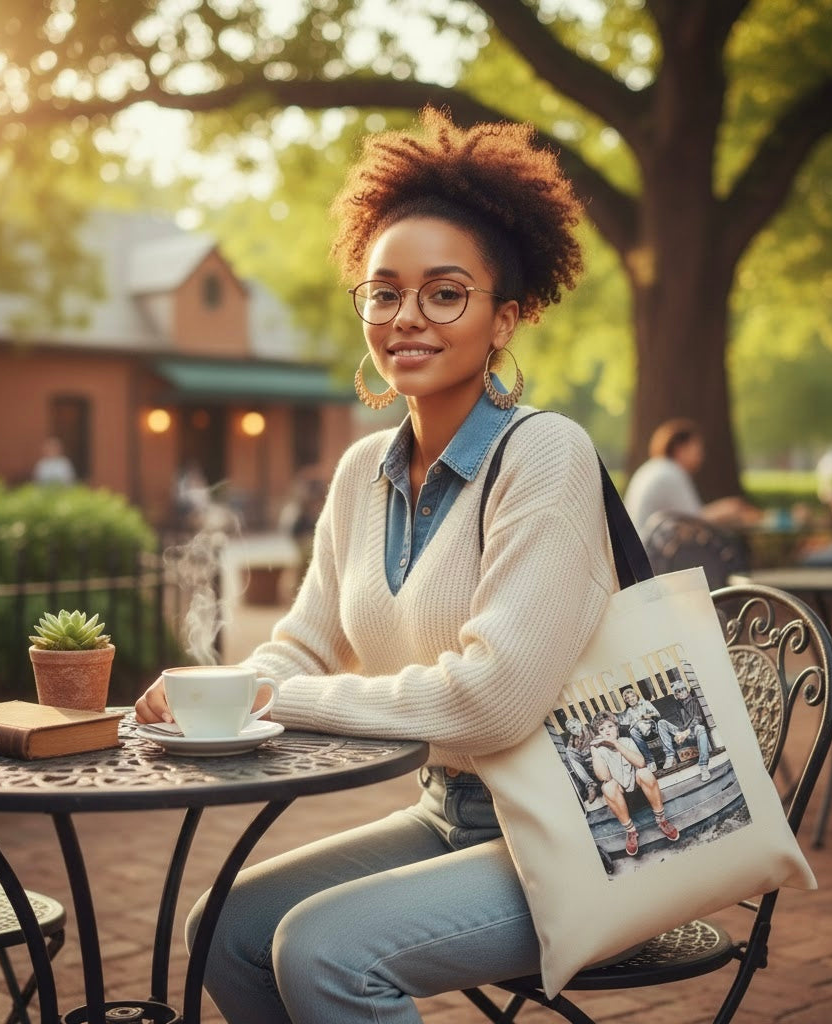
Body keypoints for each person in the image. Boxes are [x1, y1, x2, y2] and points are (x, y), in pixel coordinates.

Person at [135, 106, 622, 1023]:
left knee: (322, 954)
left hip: (585, 828)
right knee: (221, 930)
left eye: (445, 293)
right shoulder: (363, 471)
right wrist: (221, 687)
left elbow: (491, 700)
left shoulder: (546, 455)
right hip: (449, 813)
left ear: (503, 317)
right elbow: (303, 647)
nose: (407, 317)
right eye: (383, 291)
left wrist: (272, 701)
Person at [623, 418, 760, 540]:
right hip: (653, 554)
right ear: (680, 449)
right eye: (697, 449)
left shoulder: (653, 468)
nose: (701, 456)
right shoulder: (671, 473)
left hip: (641, 547)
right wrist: (730, 509)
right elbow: (695, 521)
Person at [589, 710, 680, 857]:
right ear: (598, 733)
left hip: (641, 793)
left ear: (617, 728)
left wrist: (616, 744)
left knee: (644, 772)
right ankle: (631, 831)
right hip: (622, 801)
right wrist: (594, 751)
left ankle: (662, 820)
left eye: (610, 726)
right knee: (608, 786)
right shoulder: (599, 750)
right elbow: (603, 776)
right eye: (602, 729)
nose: (607, 731)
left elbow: (641, 762)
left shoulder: (627, 741)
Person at [656, 670, 711, 781]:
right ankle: (670, 755)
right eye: (677, 692)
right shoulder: (678, 706)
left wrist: (685, 732)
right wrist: (679, 734)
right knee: (661, 723)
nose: (681, 693)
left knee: (700, 728)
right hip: (684, 733)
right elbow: (680, 724)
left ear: (687, 690)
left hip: (693, 732)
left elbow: (698, 719)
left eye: (682, 689)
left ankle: (704, 766)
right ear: (675, 695)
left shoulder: (695, 701)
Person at [614, 685, 660, 772]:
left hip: (651, 727)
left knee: (637, 726)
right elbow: (625, 723)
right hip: (639, 733)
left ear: (636, 696)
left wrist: (647, 715)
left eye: (632, 696)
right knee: (632, 732)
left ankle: (649, 760)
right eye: (627, 698)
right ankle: (650, 761)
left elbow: (657, 714)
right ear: (625, 701)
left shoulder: (645, 703)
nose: (630, 699)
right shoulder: (629, 711)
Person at [563, 716, 600, 804]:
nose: (573, 731)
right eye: (570, 730)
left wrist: (594, 753)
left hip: (597, 753)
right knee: (568, 753)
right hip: (585, 760)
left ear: (579, 723)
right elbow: (571, 751)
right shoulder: (573, 740)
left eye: (574, 727)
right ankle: (591, 785)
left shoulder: (590, 728)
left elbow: (598, 738)